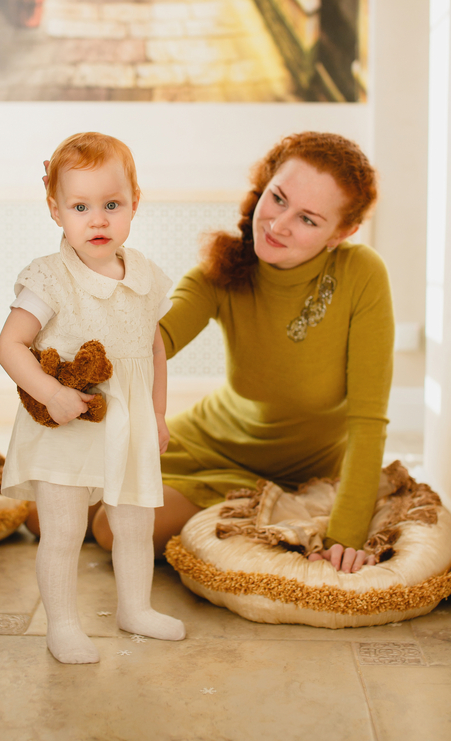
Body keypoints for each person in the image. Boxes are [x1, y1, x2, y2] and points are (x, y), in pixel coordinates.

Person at [92, 132, 394, 574]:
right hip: (199, 438)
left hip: (282, 472)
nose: (278, 224)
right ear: (263, 186)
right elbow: (147, 342)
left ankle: (231, 507)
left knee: (112, 528)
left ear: (341, 233)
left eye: (308, 219)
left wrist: (344, 535)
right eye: (278, 198)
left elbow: (368, 421)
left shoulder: (361, 274)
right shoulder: (221, 271)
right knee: (42, 513)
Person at [0, 132, 185, 665]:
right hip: (68, 422)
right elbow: (10, 346)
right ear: (55, 209)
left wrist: (157, 414)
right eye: (80, 207)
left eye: (111, 205)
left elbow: (154, 349)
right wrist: (52, 393)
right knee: (63, 530)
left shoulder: (144, 275)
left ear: (134, 202)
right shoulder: (50, 278)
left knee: (134, 522)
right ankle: (62, 625)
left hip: (129, 421)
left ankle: (136, 608)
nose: (97, 220)